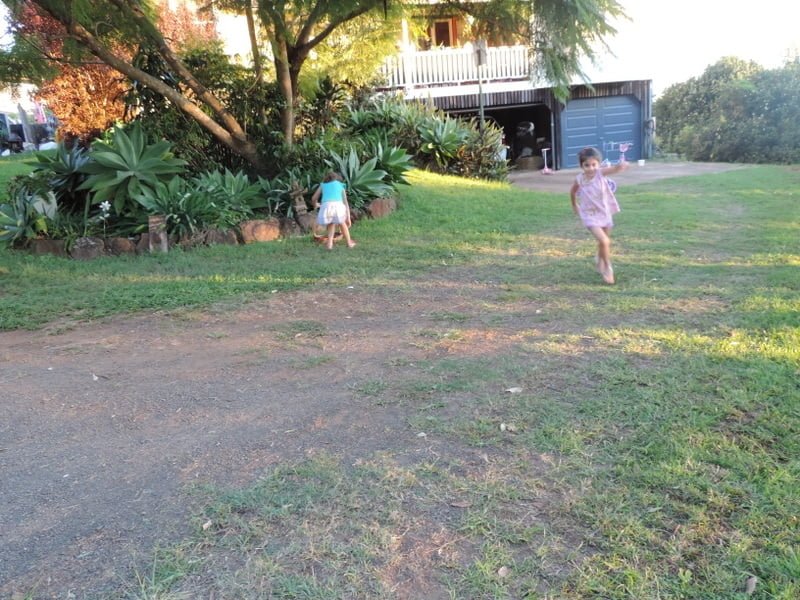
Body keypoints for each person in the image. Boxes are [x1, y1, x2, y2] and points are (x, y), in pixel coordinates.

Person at [569, 147, 628, 284]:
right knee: (605, 241)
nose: (591, 168)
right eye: (587, 165)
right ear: (581, 166)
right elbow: (572, 192)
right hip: (589, 215)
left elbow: (614, 169)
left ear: (599, 164)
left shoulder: (600, 174)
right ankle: (608, 268)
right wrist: (574, 205)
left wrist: (620, 166)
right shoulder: (580, 179)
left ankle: (600, 258)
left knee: (604, 241)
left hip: (604, 212)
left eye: (594, 165)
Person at [311, 171, 356, 250]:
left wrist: (315, 204)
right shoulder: (341, 185)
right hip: (338, 205)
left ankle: (329, 244)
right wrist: (348, 217)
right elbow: (345, 202)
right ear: (337, 179)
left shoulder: (323, 185)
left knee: (331, 224)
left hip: (326, 206)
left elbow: (313, 198)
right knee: (342, 224)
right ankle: (349, 243)